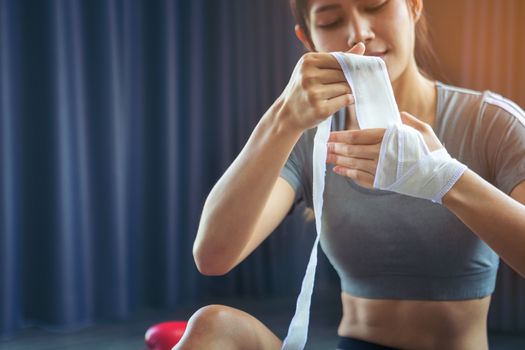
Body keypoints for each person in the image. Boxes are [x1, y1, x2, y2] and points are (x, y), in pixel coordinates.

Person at [175, 0, 525, 349]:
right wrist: (283, 117)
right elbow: (213, 255)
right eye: (330, 21)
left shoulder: (490, 122)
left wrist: (445, 178)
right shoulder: (310, 139)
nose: (358, 32)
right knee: (212, 326)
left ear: (414, 7)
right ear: (309, 41)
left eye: (376, 6)